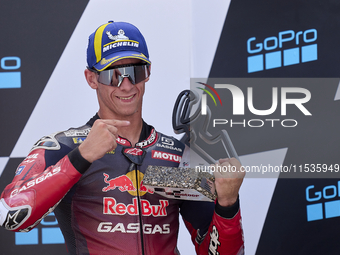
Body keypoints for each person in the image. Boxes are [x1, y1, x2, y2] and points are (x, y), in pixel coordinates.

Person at [0, 21, 245, 255]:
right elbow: (11, 213)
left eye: (135, 72)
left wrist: (228, 204)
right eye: (113, 74)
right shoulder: (64, 146)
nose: (126, 85)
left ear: (148, 72)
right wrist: (81, 157)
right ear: (91, 78)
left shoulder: (176, 156)